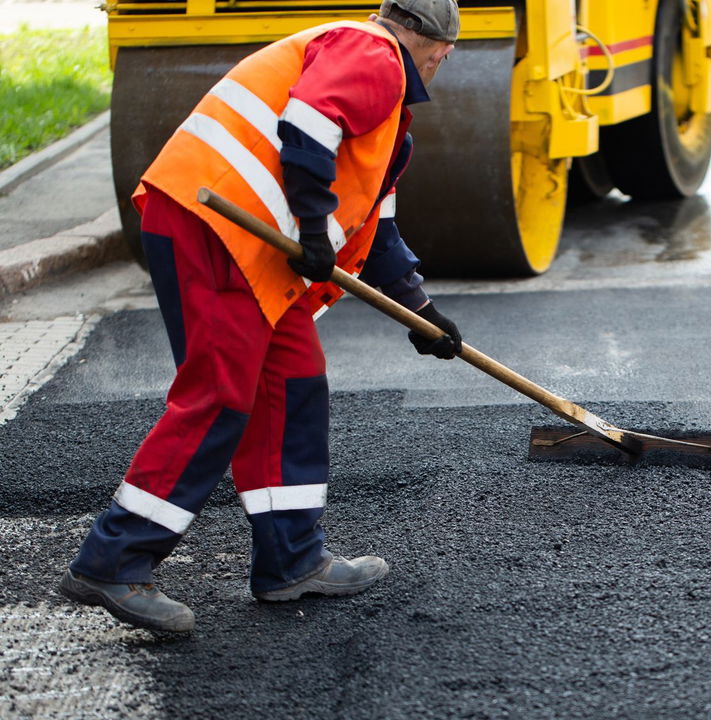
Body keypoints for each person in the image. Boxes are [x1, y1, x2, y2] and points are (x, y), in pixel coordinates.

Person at [58, 0, 465, 633]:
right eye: (446, 51)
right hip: (219, 229)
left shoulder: (389, 118)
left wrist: (422, 311)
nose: (444, 61)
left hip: (254, 249)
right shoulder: (373, 52)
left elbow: (376, 228)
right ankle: (112, 561)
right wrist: (310, 225)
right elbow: (306, 123)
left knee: (293, 385)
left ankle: (291, 563)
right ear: (434, 44)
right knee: (220, 396)